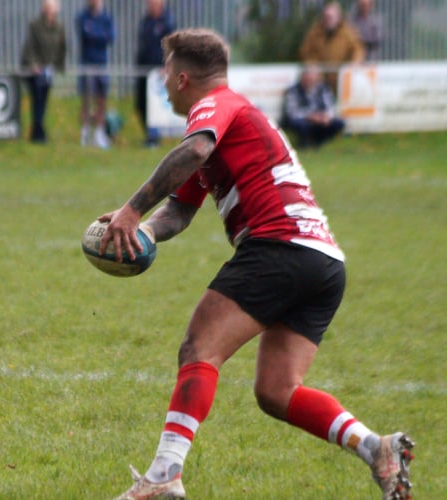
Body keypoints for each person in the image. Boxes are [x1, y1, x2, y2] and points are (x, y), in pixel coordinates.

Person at [96, 28, 414, 499]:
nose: (163, 84)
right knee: (277, 391)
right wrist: (137, 230)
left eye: (165, 74)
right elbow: (180, 212)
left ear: (183, 78)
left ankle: (163, 477)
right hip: (323, 263)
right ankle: (376, 449)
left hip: (278, 246)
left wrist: (132, 208)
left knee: (198, 349)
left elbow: (195, 149)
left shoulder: (216, 107)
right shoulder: (227, 120)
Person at [20, 0, 67, 144]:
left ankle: (37, 131)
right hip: (34, 71)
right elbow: (30, 48)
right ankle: (38, 132)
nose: (49, 11)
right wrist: (34, 65)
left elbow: (62, 47)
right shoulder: (35, 25)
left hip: (48, 71)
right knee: (37, 100)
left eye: (52, 8)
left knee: (43, 101)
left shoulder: (59, 27)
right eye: (47, 8)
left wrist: (59, 65)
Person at [299, 1, 365, 93]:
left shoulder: (347, 32)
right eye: (326, 17)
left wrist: (354, 63)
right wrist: (311, 65)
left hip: (341, 81)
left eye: (331, 17)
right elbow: (305, 52)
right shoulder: (314, 32)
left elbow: (358, 49)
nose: (328, 20)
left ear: (338, 17)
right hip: (319, 82)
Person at [135, 0, 175, 148]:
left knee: (157, 105)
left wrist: (167, 65)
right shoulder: (145, 21)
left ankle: (154, 137)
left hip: (159, 73)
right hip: (143, 70)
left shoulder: (168, 21)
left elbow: (172, 46)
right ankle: (149, 134)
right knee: (140, 104)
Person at [77, 0, 115, 149]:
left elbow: (110, 37)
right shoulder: (82, 17)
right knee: (86, 98)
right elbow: (85, 34)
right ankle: (85, 131)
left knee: (101, 99)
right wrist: (100, 35)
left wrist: (95, 34)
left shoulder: (106, 17)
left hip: (102, 63)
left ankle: (99, 132)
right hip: (87, 64)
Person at [281, 65, 345, 148]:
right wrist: (310, 116)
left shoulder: (323, 89)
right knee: (300, 124)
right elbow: (291, 112)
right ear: (302, 78)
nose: (309, 81)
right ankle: (305, 142)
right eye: (307, 79)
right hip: (303, 119)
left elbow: (330, 107)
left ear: (316, 79)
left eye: (311, 79)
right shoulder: (293, 91)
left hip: (320, 118)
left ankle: (319, 141)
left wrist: (326, 117)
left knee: (338, 123)